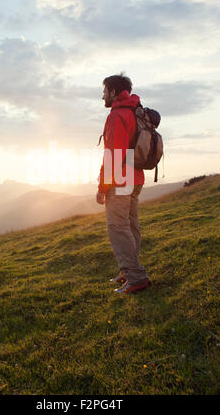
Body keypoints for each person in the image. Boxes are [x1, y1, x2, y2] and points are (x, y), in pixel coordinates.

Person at [96, 73, 151, 294]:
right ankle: (128, 271)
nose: (102, 97)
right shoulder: (135, 110)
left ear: (114, 92)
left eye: (104, 91)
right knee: (130, 226)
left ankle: (135, 277)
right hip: (136, 176)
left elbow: (113, 155)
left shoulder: (118, 115)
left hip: (121, 178)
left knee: (118, 228)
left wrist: (102, 187)